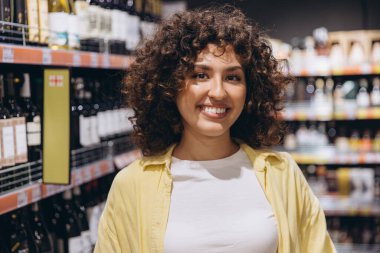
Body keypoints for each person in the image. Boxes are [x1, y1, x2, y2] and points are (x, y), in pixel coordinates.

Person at [94, 4, 336, 253]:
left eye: (233, 77)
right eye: (200, 75)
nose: (218, 92)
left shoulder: (283, 174)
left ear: (250, 89)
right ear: (170, 85)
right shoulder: (132, 184)